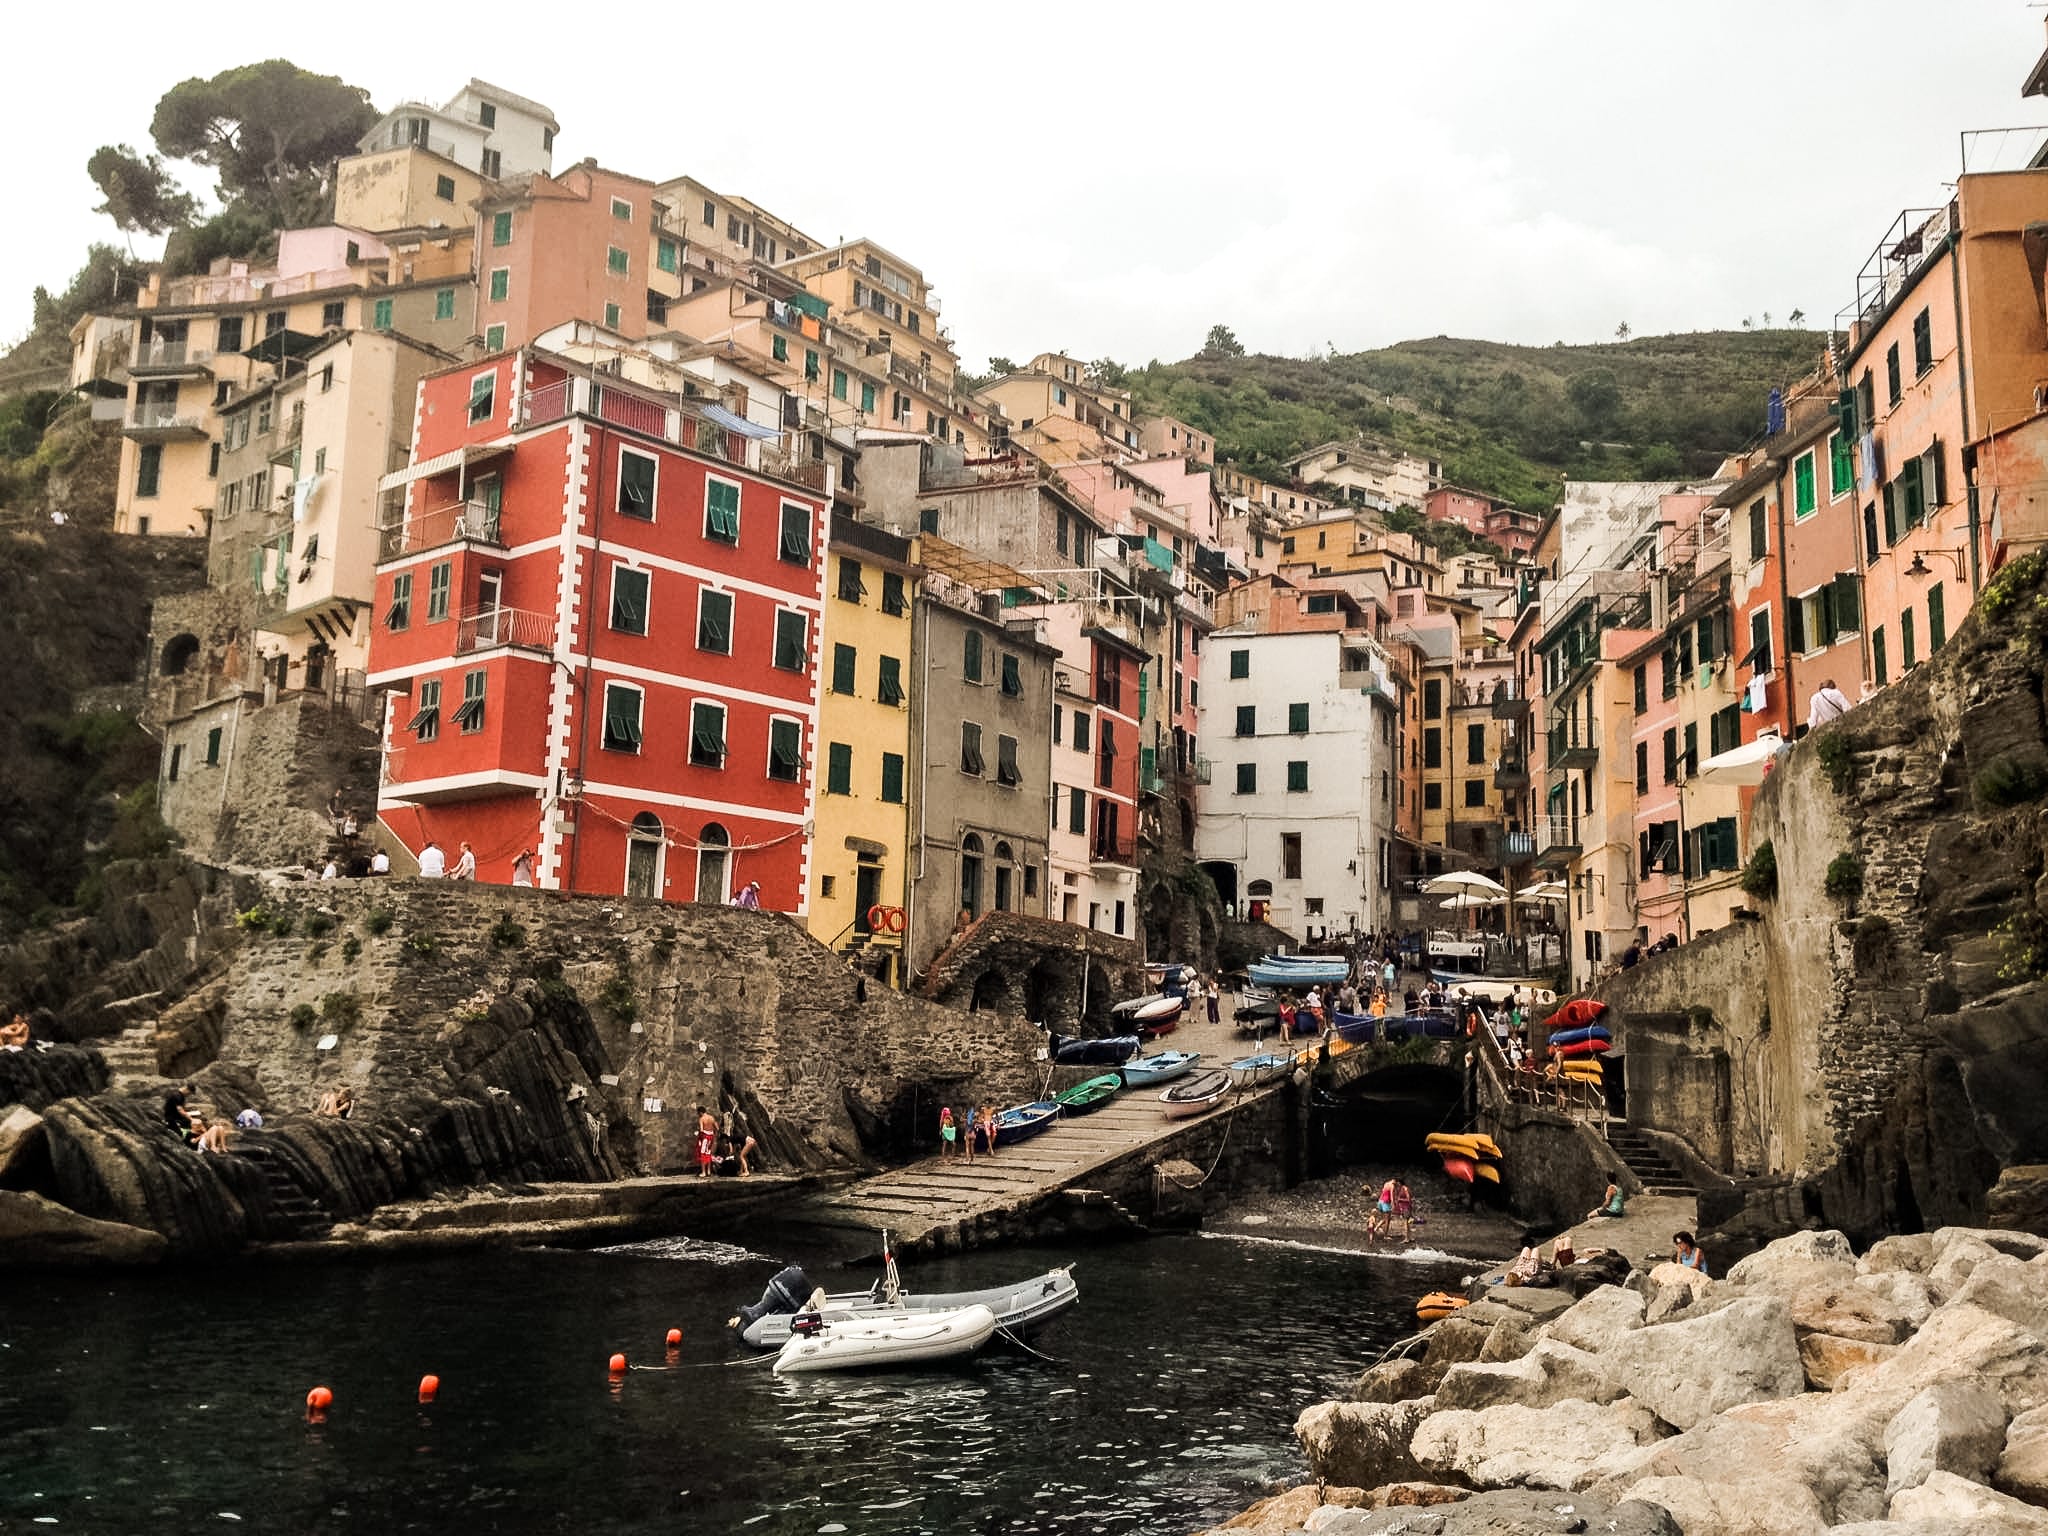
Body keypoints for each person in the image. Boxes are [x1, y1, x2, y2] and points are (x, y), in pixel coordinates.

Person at [695, 1109, 718, 1178]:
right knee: (708, 1153)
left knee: (703, 1154)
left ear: (700, 1112)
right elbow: (717, 1128)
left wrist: (698, 1134)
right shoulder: (711, 1118)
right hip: (711, 1137)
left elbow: (701, 1130)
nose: (698, 1115)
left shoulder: (701, 1119)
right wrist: (714, 1135)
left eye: (698, 1113)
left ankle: (703, 1172)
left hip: (705, 1137)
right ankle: (708, 1171)